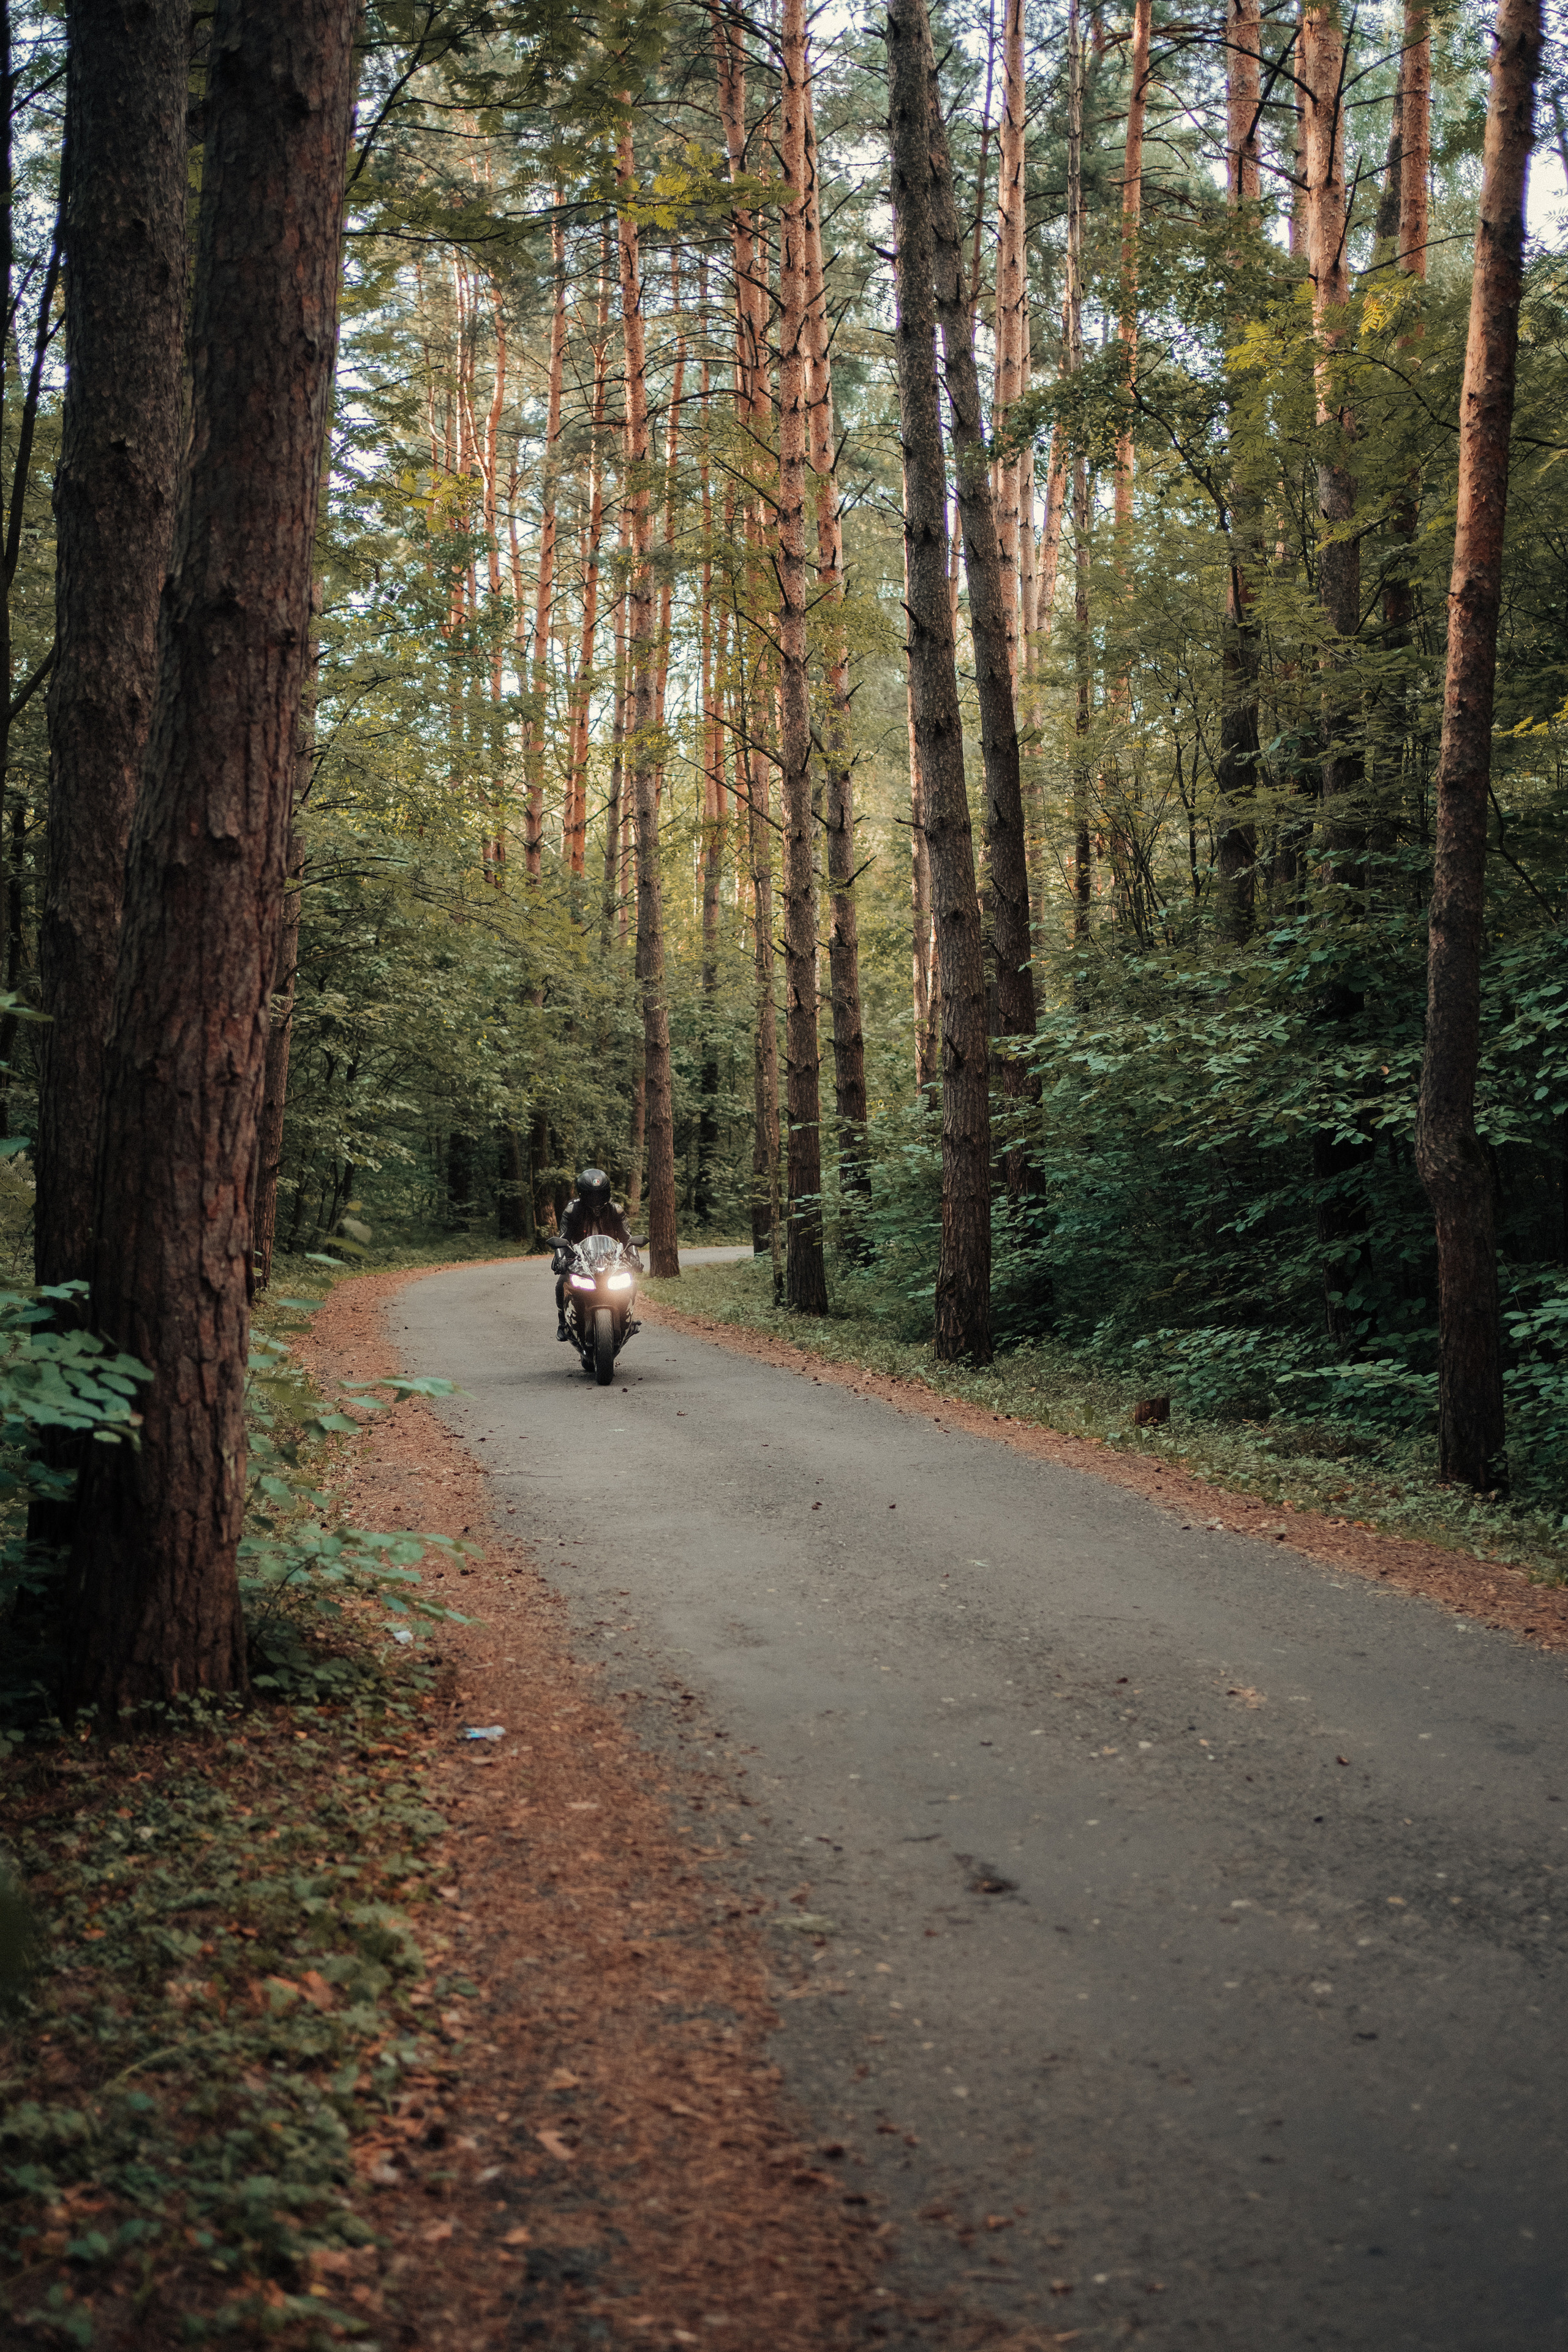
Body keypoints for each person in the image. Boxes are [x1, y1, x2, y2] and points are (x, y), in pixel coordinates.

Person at [552, 1168, 638, 1339]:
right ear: (583, 1194)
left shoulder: (616, 1211)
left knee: (630, 1281)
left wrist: (634, 1258)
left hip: (611, 1258)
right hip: (578, 1258)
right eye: (591, 1195)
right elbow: (563, 1238)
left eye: (599, 1194)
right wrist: (561, 1260)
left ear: (607, 1192)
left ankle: (628, 1317)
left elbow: (628, 1238)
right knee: (561, 1283)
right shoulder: (572, 1211)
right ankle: (563, 1322)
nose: (596, 1200)